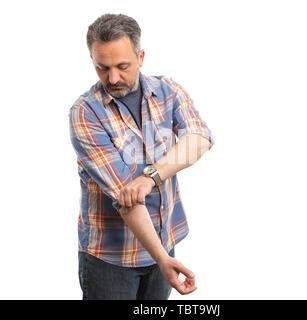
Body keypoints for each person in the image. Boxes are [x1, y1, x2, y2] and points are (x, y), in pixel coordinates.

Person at [68, 13, 215, 300]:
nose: (113, 78)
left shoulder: (168, 91)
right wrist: (163, 258)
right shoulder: (85, 112)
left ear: (141, 56)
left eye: (123, 66)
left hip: (165, 241)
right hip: (110, 259)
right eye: (102, 68)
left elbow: (199, 138)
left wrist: (151, 177)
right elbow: (126, 196)